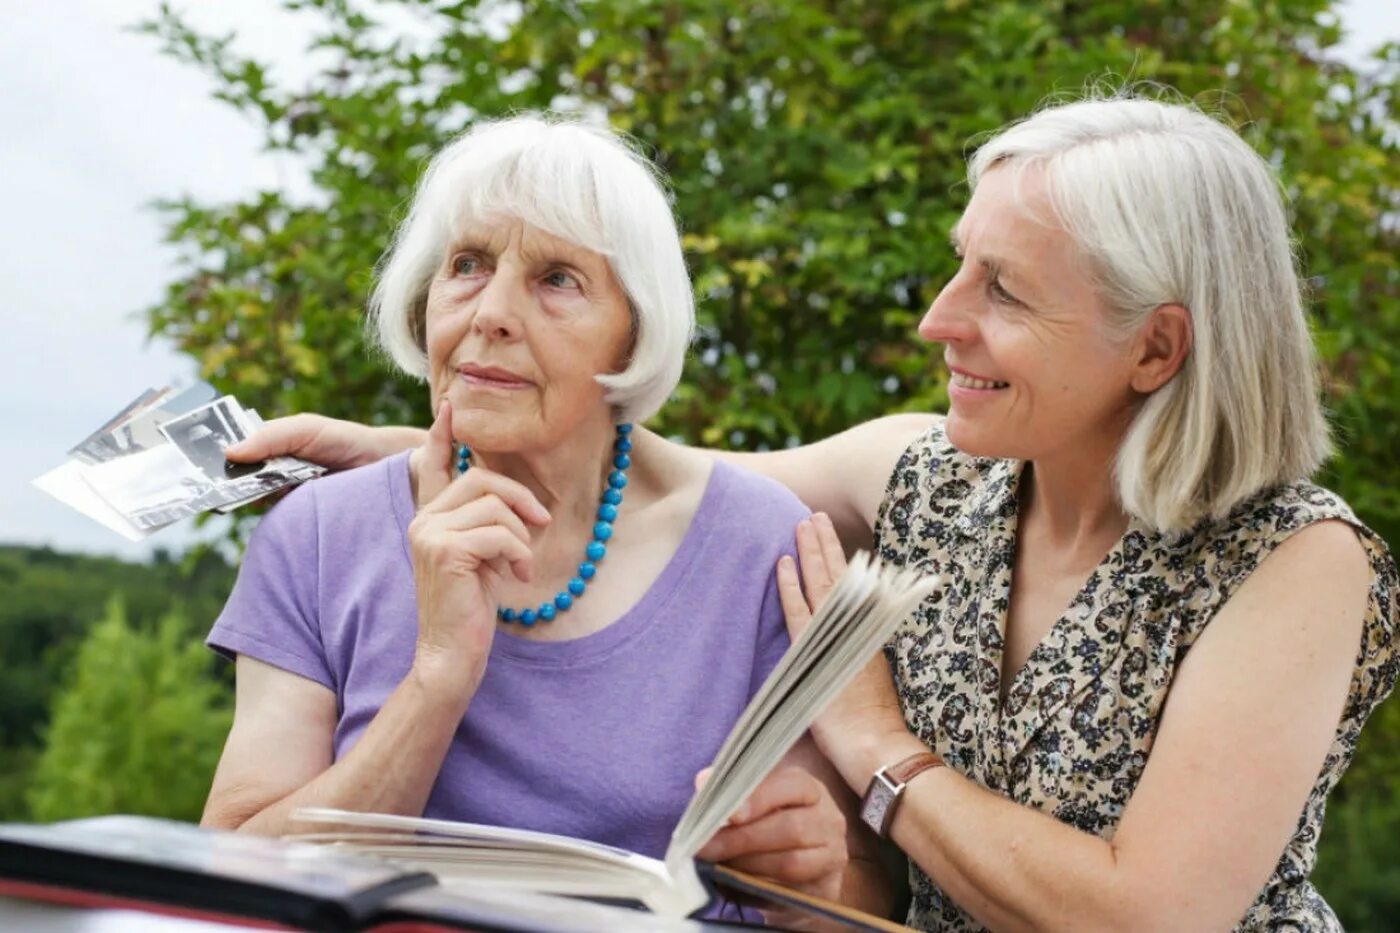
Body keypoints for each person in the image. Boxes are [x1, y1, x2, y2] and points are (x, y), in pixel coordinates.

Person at [231, 92, 1399, 931]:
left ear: (1154, 347)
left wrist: (876, 751)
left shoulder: (1294, 563)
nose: (939, 319)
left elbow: (1148, 916)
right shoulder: (925, 471)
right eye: (957, 264)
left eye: (1000, 289)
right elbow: (645, 472)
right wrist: (410, 446)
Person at [201, 114, 891, 921]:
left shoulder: (761, 545)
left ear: (634, 333)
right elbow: (234, 887)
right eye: (467, 264)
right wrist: (436, 677)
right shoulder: (320, 533)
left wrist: (809, 893)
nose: (491, 310)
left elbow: (863, 896)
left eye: (557, 278)